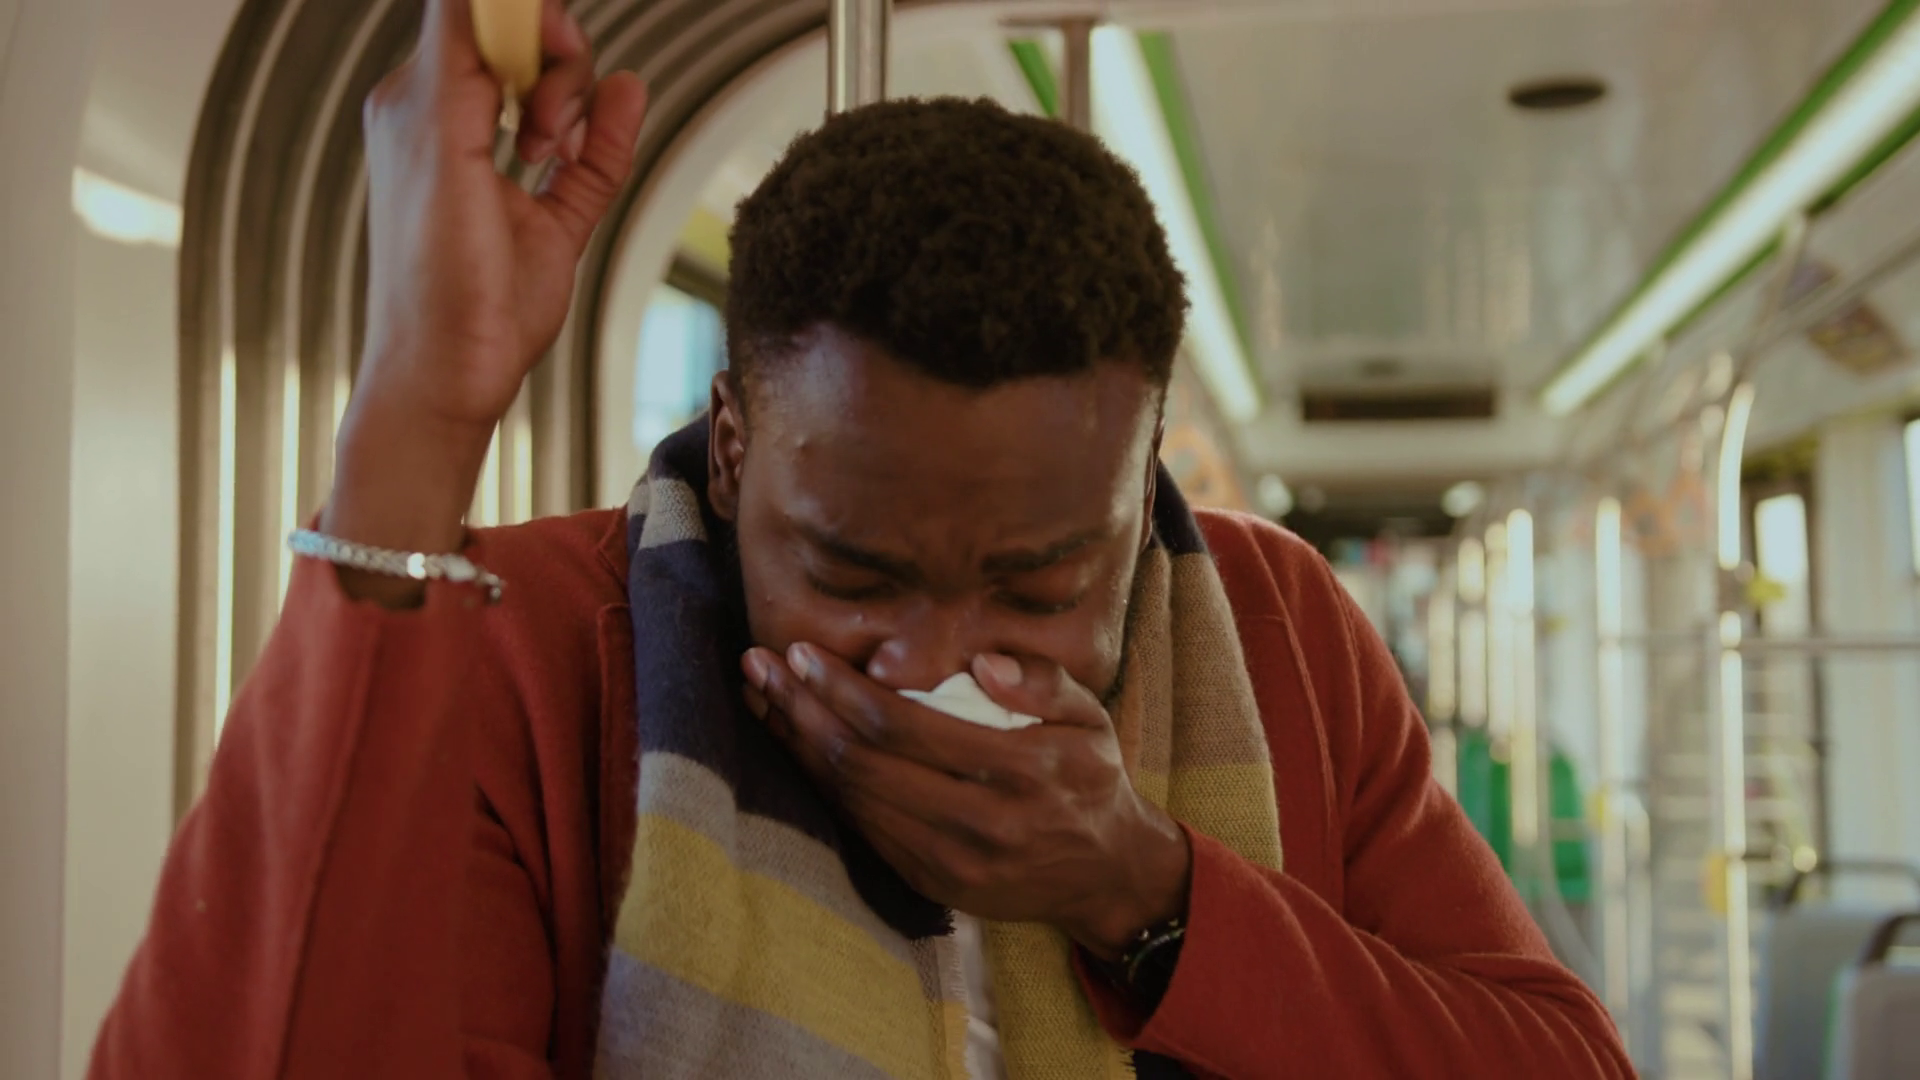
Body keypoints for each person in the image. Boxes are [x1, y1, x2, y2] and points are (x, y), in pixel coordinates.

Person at [90, 2, 1632, 1078]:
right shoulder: (538, 652)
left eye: (1040, 584)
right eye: (851, 572)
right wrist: (416, 417)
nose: (930, 662)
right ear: (735, 448)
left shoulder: (1277, 623)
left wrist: (1150, 894)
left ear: (1141, 480)